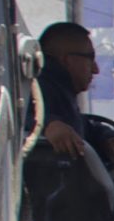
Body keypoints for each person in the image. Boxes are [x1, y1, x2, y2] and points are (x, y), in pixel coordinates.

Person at [35, 22, 101, 159]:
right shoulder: (39, 89)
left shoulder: (61, 93)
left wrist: (107, 136)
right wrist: (49, 125)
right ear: (67, 60)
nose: (96, 70)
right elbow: (23, 116)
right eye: (90, 58)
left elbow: (81, 126)